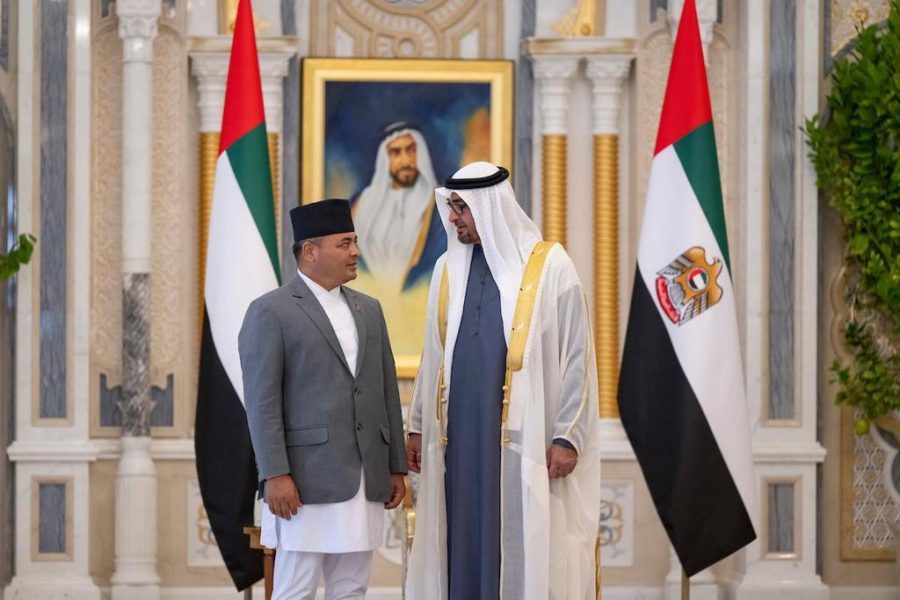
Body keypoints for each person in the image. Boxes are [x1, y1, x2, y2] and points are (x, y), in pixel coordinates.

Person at [405, 162, 601, 599]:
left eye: (461, 207)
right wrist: (417, 425)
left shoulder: (551, 267)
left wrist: (567, 436)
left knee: (519, 543)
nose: (453, 217)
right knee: (457, 538)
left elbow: (578, 357)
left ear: (489, 207)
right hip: (458, 440)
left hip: (524, 444)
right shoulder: (446, 269)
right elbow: (433, 355)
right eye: (451, 206)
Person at [239, 199, 408, 600]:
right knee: (295, 589)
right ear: (310, 251)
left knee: (351, 587)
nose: (356, 252)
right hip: (304, 481)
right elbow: (262, 404)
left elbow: (385, 390)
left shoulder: (369, 309)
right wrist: (275, 474)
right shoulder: (270, 311)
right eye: (344, 243)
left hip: (366, 477)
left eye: (355, 242)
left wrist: (395, 466)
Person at [351, 122, 447, 355]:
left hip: (417, 314)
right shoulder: (360, 204)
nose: (405, 160)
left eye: (411, 150)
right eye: (396, 152)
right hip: (365, 315)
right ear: (385, 158)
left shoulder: (440, 207)